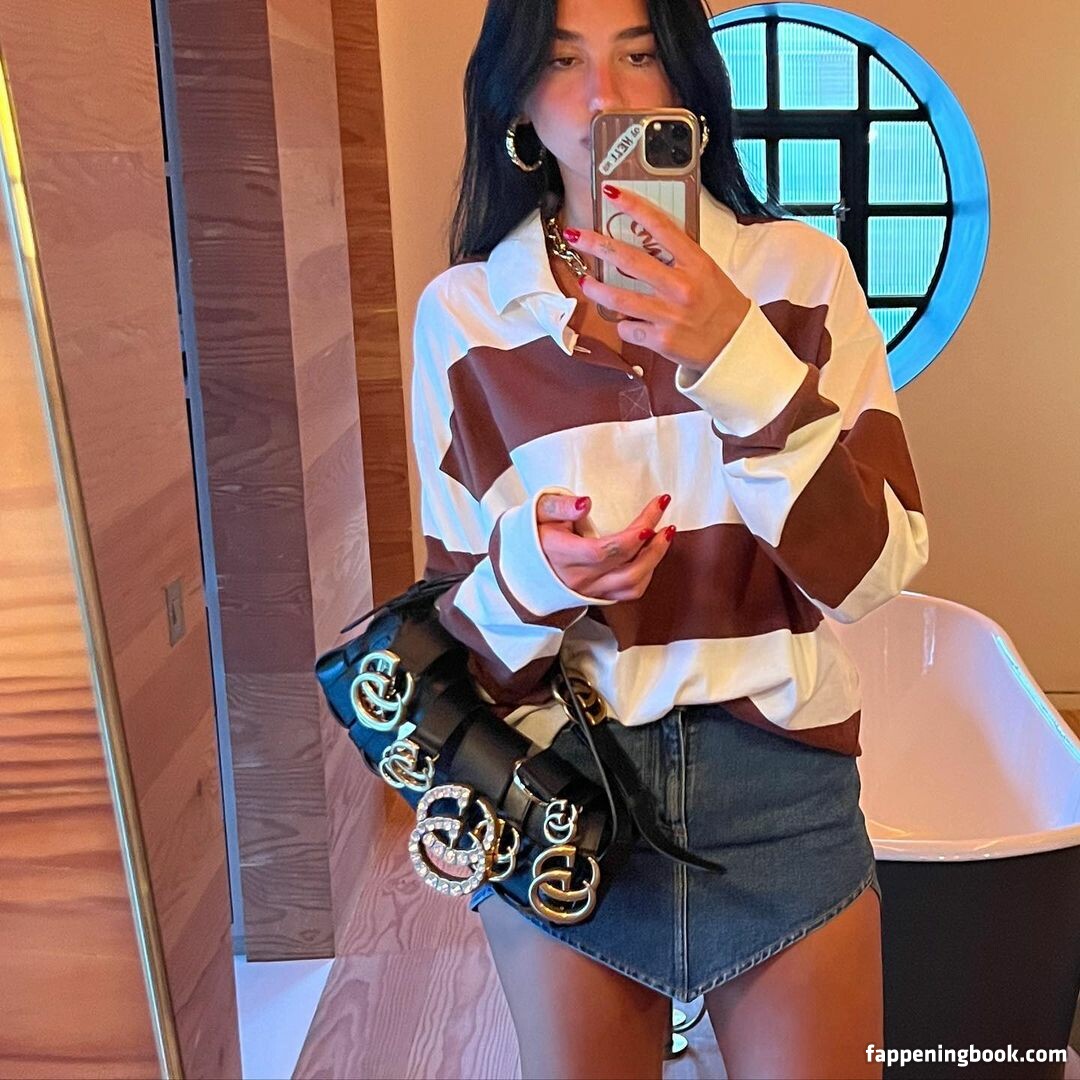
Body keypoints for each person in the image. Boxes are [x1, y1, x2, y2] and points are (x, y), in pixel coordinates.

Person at [409, 1, 930, 1077]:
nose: (605, 94)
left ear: (689, 80)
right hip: (567, 790)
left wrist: (736, 353)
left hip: (781, 786)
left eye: (639, 53)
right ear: (514, 95)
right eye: (561, 59)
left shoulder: (800, 277)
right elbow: (465, 643)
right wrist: (538, 573)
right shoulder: (465, 313)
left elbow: (872, 575)